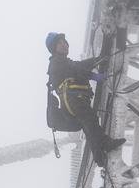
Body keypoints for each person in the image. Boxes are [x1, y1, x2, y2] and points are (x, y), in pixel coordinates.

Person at [45, 32, 125, 167]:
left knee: (89, 123)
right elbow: (77, 69)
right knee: (89, 119)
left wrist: (97, 60)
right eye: (60, 43)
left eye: (65, 42)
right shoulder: (56, 62)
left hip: (76, 99)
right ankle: (105, 144)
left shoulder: (64, 62)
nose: (64, 45)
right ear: (54, 49)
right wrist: (94, 75)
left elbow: (79, 65)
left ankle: (99, 156)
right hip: (72, 99)